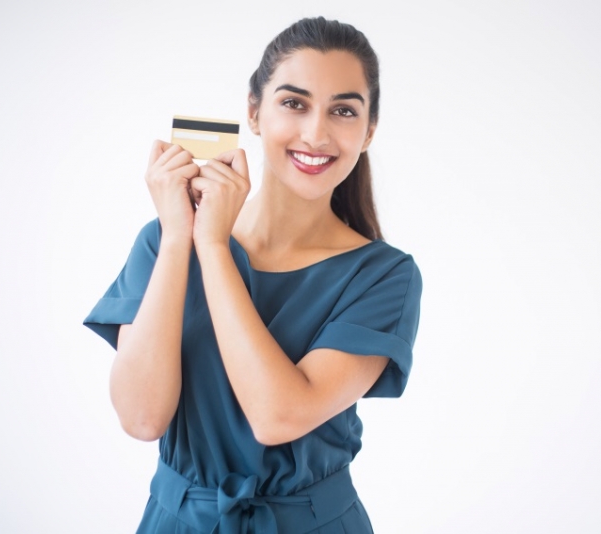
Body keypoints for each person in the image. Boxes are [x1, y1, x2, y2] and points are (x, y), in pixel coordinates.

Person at [84, 16, 422, 534]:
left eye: (343, 110)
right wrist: (181, 239)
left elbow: (277, 417)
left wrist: (214, 247)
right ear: (254, 112)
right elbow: (142, 418)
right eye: (294, 103)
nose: (316, 132)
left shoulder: (383, 275)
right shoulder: (164, 240)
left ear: (368, 130)